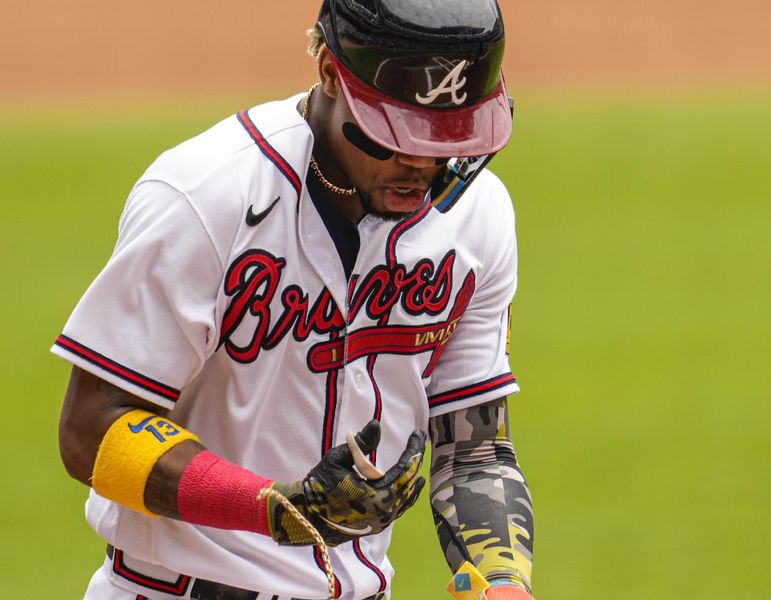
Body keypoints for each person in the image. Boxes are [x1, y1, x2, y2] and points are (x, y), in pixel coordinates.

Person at [53, 0, 535, 598]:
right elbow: (93, 429)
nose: (421, 161)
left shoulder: (480, 215)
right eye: (395, 133)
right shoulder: (205, 197)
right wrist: (276, 508)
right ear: (331, 71)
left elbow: (474, 449)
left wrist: (504, 580)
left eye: (447, 136)